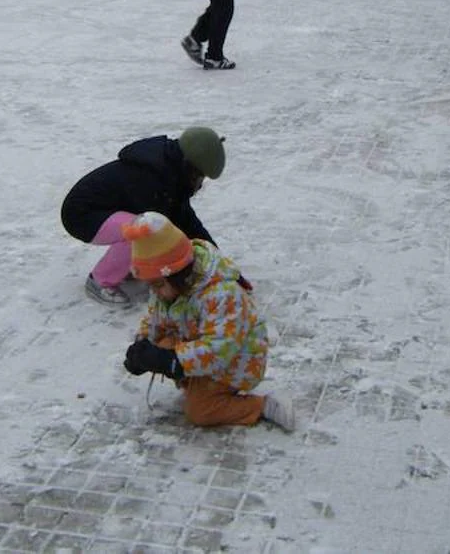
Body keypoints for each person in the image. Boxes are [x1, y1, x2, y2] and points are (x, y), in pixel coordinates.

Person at [120, 211, 294, 431]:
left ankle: (261, 405)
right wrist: (143, 345)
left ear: (178, 273)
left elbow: (218, 349)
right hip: (195, 346)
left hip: (235, 362)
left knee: (200, 412)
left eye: (158, 285)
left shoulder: (222, 294)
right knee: (158, 349)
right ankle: (196, 384)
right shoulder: (169, 286)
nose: (156, 293)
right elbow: (156, 318)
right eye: (151, 286)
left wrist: (170, 361)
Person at [61, 127, 226, 306]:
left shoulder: (171, 172)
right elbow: (167, 226)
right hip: (81, 215)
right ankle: (100, 281)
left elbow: (188, 222)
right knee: (142, 229)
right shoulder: (152, 177)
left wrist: (217, 262)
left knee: (148, 227)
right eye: (199, 175)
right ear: (189, 166)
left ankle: (127, 267)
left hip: (104, 212)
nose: (199, 183)